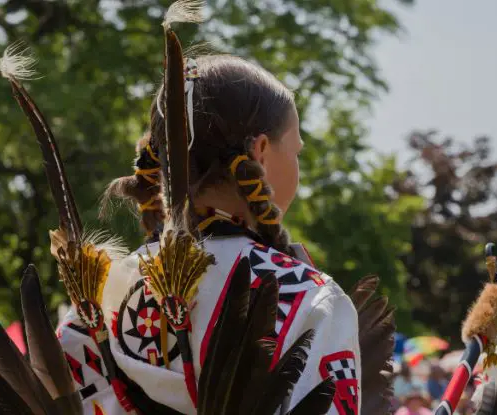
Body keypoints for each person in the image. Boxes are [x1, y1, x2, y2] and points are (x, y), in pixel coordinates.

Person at [50, 4, 363, 414]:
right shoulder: (309, 299)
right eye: (297, 150)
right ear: (261, 151)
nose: (299, 165)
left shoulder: (95, 302)